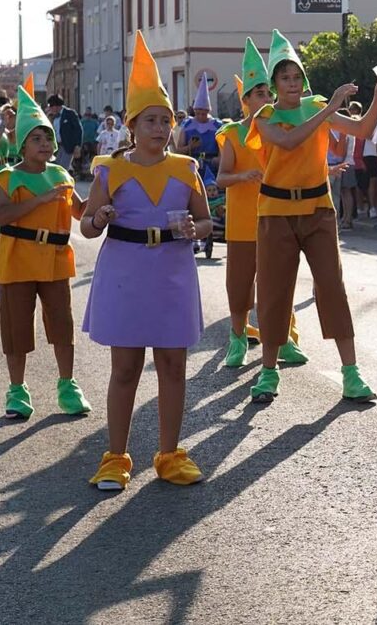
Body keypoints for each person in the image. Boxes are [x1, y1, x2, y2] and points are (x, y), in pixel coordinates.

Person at [80, 32, 211, 490]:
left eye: (166, 120)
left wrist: (199, 230)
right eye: (151, 120)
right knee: (126, 368)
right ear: (132, 125)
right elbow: (87, 227)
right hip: (126, 271)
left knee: (174, 364)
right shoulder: (111, 169)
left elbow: (206, 221)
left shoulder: (185, 169)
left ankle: (170, 454)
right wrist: (99, 215)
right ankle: (116, 457)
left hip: (172, 271)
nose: (160, 128)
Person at [244, 29, 377, 404]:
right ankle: (267, 372)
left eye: (296, 77)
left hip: (318, 210)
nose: (292, 84)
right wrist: (329, 109)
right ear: (274, 83)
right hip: (276, 212)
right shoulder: (265, 114)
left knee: (332, 286)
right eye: (284, 78)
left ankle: (351, 373)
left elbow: (361, 129)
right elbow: (289, 141)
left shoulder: (317, 106)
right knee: (275, 292)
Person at [0, 86, 91, 420]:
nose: (45, 144)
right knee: (16, 328)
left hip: (54, 260)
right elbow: (2, 216)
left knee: (62, 325)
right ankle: (17, 390)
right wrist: (41, 200)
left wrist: (104, 202)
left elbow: (82, 212)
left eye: (48, 138)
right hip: (16, 259)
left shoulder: (61, 174)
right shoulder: (6, 177)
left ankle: (68, 386)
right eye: (37, 138)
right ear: (22, 143)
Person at [215, 41, 308, 369]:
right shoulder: (232, 134)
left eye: (268, 93)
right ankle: (238, 338)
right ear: (245, 101)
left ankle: (285, 341)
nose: (266, 99)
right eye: (258, 94)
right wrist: (244, 176)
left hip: (279, 219)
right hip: (243, 223)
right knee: (240, 287)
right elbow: (221, 179)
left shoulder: (284, 128)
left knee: (280, 286)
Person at [177, 74, 223, 172]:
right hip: (193, 165)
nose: (201, 116)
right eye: (198, 113)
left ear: (208, 112)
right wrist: (190, 147)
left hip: (212, 167)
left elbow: (223, 148)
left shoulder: (217, 126)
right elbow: (179, 150)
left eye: (203, 114)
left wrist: (219, 159)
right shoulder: (187, 125)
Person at [45, 94, 82, 171]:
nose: (50, 108)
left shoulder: (70, 113)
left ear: (57, 106)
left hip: (67, 145)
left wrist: (77, 145)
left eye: (51, 106)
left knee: (62, 168)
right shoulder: (51, 116)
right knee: (56, 166)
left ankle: (64, 182)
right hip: (57, 146)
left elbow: (78, 129)